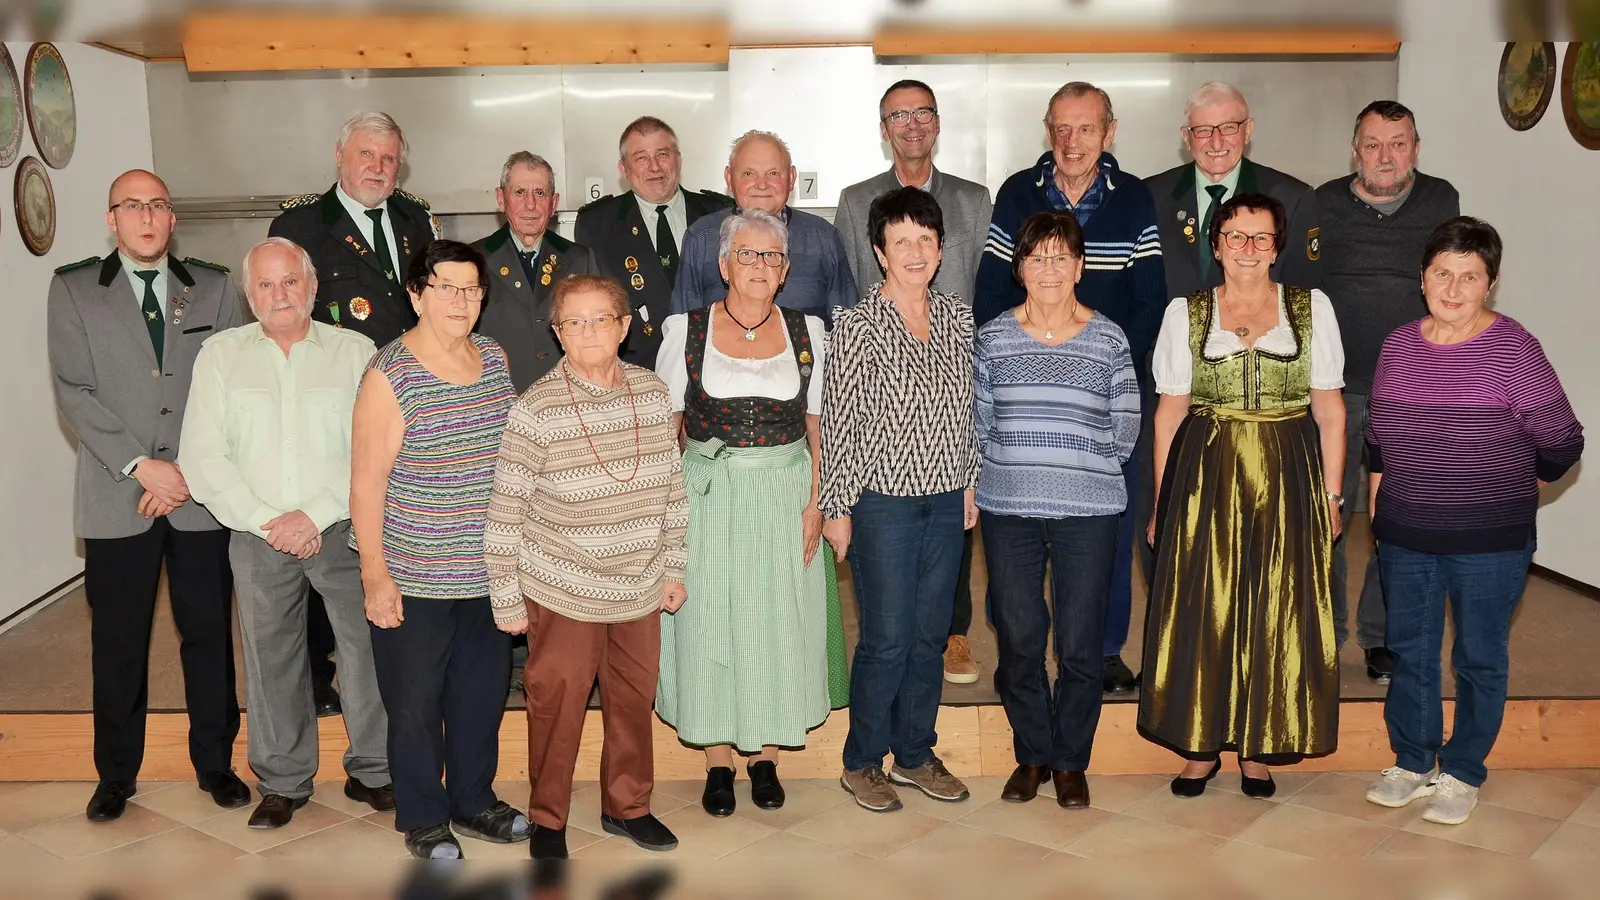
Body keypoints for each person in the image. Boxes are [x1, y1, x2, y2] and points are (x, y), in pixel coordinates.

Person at [1363, 217, 1583, 826]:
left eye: (1469, 277)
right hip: (1407, 534)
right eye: (1442, 274)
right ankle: (1412, 760)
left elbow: (1564, 441)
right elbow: (1378, 440)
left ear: (1490, 283)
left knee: (1479, 656)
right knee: (1410, 652)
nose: (1453, 289)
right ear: (1423, 277)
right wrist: (1380, 511)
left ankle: (1462, 771)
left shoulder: (1515, 349)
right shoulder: (1398, 345)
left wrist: (1518, 482)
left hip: (1491, 541)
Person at [47, 169, 249, 822]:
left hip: (198, 496)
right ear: (112, 219)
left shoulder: (214, 287)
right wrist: (143, 465)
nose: (147, 216)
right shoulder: (75, 289)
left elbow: (232, 388)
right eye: (132, 206)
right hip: (117, 498)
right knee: (119, 642)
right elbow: (73, 390)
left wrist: (185, 468)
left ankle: (215, 764)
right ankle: (115, 775)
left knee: (209, 637)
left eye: (158, 205)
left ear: (171, 218)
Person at [178, 237, 393, 829]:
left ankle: (374, 769)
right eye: (267, 285)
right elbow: (202, 454)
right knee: (271, 658)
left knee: (365, 651)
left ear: (313, 286)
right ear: (250, 296)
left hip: (345, 529)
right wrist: (267, 522)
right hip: (256, 534)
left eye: (291, 281)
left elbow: (371, 448)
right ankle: (283, 780)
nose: (281, 294)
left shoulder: (357, 351)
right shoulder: (220, 356)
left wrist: (316, 514)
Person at [1138, 193, 1345, 799]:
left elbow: (1330, 411)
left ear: (1277, 246)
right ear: (1216, 244)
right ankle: (1201, 745)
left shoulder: (1312, 309)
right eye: (1235, 237)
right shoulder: (1187, 312)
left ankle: (1259, 745)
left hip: (1288, 470)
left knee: (1276, 603)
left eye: (1260, 238)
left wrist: (1333, 496)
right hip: (1206, 473)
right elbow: (1169, 412)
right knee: (1208, 603)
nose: (1247, 249)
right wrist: (1160, 501)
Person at [485, 274, 688, 860]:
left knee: (632, 701)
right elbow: (505, 510)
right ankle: (548, 818)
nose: (589, 331)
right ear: (557, 333)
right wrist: (505, 596)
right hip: (563, 589)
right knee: (556, 702)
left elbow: (673, 491)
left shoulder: (652, 393)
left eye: (602, 318)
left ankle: (628, 807)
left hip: (641, 587)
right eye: (573, 321)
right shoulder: (535, 407)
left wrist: (673, 568)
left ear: (625, 327)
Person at [975, 81, 1165, 695]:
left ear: (1109, 132)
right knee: (1016, 539)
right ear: (1047, 130)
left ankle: (1103, 649)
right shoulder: (1015, 194)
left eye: (1085, 128)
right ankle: (1019, 648)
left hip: (1106, 385)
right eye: (1060, 127)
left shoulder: (1134, 199)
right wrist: (1020, 358)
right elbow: (993, 290)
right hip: (1023, 381)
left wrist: (1096, 365)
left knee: (1105, 516)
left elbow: (1149, 302)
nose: (1071, 140)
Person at [350, 239, 527, 859]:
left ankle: (473, 799)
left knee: (480, 697)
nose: (461, 300)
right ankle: (422, 813)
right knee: (416, 704)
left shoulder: (495, 357)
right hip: (415, 573)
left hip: (489, 572)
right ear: (416, 294)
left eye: (472, 289)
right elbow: (367, 483)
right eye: (446, 287)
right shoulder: (389, 372)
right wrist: (375, 573)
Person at [654, 210, 835, 818]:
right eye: (748, 255)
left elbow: (818, 425)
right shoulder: (686, 330)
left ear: (785, 270)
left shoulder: (810, 331)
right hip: (710, 496)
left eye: (772, 257)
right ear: (723, 263)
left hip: (787, 492)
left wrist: (818, 502)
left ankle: (766, 758)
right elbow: (668, 428)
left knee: (774, 622)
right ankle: (717, 761)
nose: (760, 267)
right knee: (713, 622)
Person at [270, 110, 439, 713]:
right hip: (333, 407)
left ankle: (393, 659)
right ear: (340, 158)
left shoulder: (416, 217)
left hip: (409, 401)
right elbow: (284, 315)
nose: (378, 166)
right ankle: (318, 678)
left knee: (395, 530)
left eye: (389, 157)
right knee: (328, 539)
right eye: (367, 155)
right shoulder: (302, 223)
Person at [819, 186, 979, 813]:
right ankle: (862, 760)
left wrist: (967, 481)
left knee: (929, 633)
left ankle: (914, 753)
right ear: (881, 253)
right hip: (880, 503)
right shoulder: (855, 325)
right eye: (901, 241)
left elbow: (965, 408)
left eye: (926, 240)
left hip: (944, 500)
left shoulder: (958, 318)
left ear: (940, 250)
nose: (914, 252)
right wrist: (836, 507)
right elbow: (839, 423)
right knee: (886, 637)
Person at [975, 211, 1140, 810]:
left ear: (1081, 265)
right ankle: (1034, 755)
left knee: (1079, 643)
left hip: (1088, 510)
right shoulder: (992, 337)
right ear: (1020, 269)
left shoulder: (1109, 337)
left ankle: (1071, 761)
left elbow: (1125, 427)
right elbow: (979, 421)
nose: (1049, 268)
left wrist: (1081, 470)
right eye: (1037, 257)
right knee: (1019, 638)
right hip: (1009, 508)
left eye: (1061, 256)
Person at [834, 78, 994, 686]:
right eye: (897, 115)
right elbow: (854, 284)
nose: (911, 124)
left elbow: (982, 285)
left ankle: (955, 633)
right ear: (883, 129)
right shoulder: (856, 201)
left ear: (937, 122)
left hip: (952, 358)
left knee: (953, 512)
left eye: (922, 113)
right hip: (887, 367)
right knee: (892, 564)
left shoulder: (973, 199)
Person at [1315, 100, 1460, 683]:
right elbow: (1299, 289)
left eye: (1397, 143)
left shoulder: (1441, 200)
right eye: (1372, 144)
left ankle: (1380, 637)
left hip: (1410, 389)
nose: (1385, 155)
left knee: (1394, 519)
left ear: (1416, 148)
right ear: (1356, 150)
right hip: (1333, 391)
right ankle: (1323, 632)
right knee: (1327, 512)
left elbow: (1453, 283)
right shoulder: (1321, 204)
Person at [576, 116, 734, 366]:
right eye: (641, 158)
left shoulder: (719, 214)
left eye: (662, 154)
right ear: (623, 169)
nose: (654, 167)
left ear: (678, 160)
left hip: (717, 366)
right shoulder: (596, 224)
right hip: (637, 373)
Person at [669, 130, 857, 324]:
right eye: (749, 174)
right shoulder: (701, 237)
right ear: (729, 178)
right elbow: (682, 327)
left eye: (773, 173)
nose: (761, 185)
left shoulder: (824, 238)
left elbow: (848, 329)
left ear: (792, 178)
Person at [473, 151, 601, 393]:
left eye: (540, 193)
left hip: (568, 400)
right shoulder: (472, 260)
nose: (530, 204)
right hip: (498, 401)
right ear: (501, 199)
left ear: (553, 203)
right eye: (520, 192)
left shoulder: (580, 259)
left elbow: (598, 338)